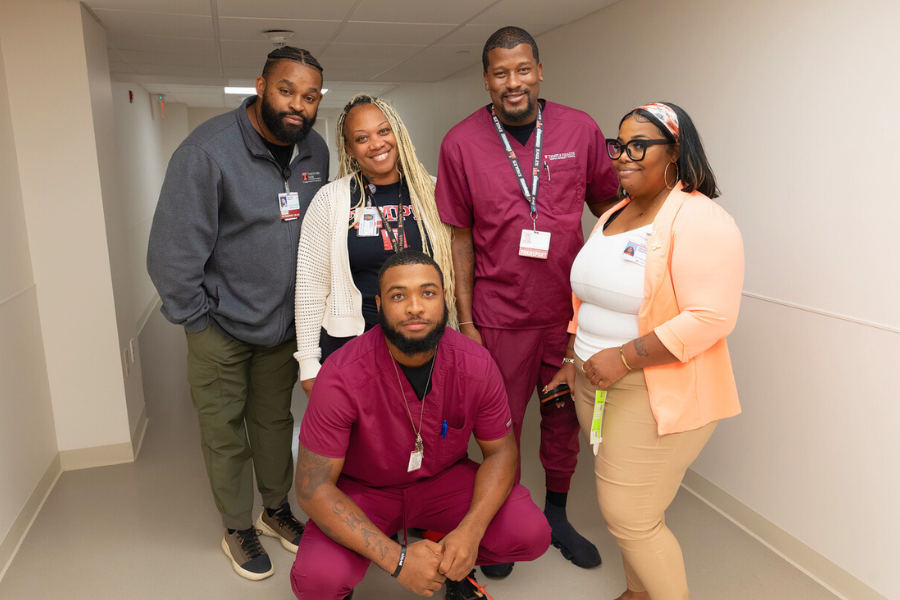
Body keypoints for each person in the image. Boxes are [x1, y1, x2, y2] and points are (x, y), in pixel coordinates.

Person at [434, 25, 619, 575]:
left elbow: (611, 212)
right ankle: (504, 521)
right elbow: (459, 237)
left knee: (563, 423)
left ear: (539, 71)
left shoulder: (580, 129)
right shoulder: (461, 142)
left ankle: (557, 516)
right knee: (500, 427)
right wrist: (466, 320)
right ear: (486, 78)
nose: (512, 82)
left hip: (568, 317)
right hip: (499, 317)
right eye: (499, 72)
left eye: (522, 70)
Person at [147, 46, 329, 581]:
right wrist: (198, 319)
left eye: (310, 96)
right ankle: (236, 525)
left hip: (281, 325)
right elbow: (170, 254)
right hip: (219, 328)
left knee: (275, 422)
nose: (297, 104)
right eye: (286, 90)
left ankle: (275, 511)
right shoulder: (206, 153)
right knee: (224, 429)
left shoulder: (314, 151)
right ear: (261, 85)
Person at [551, 102, 744, 600]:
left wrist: (624, 357)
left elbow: (711, 316)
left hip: (651, 386)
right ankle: (639, 593)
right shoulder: (615, 212)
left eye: (638, 146)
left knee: (631, 518)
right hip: (595, 383)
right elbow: (587, 296)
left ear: (675, 152)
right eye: (619, 145)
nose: (621, 157)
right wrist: (574, 361)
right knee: (626, 509)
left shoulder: (701, 218)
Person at [290, 250, 551, 600]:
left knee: (530, 532)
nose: (415, 307)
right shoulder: (341, 374)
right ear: (380, 304)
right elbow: (312, 487)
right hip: (364, 490)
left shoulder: (476, 363)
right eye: (399, 296)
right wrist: (397, 561)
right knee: (318, 581)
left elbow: (501, 451)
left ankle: (454, 565)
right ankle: (385, 560)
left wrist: (469, 533)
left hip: (441, 483)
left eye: (428, 293)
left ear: (444, 299)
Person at [295, 94, 456, 397]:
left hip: (424, 343)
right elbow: (310, 287)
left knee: (423, 432)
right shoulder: (331, 201)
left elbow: (455, 270)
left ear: (398, 132)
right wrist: (308, 363)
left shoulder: (434, 192)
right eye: (362, 137)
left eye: (384, 131)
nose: (377, 143)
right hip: (351, 347)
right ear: (349, 149)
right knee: (360, 439)